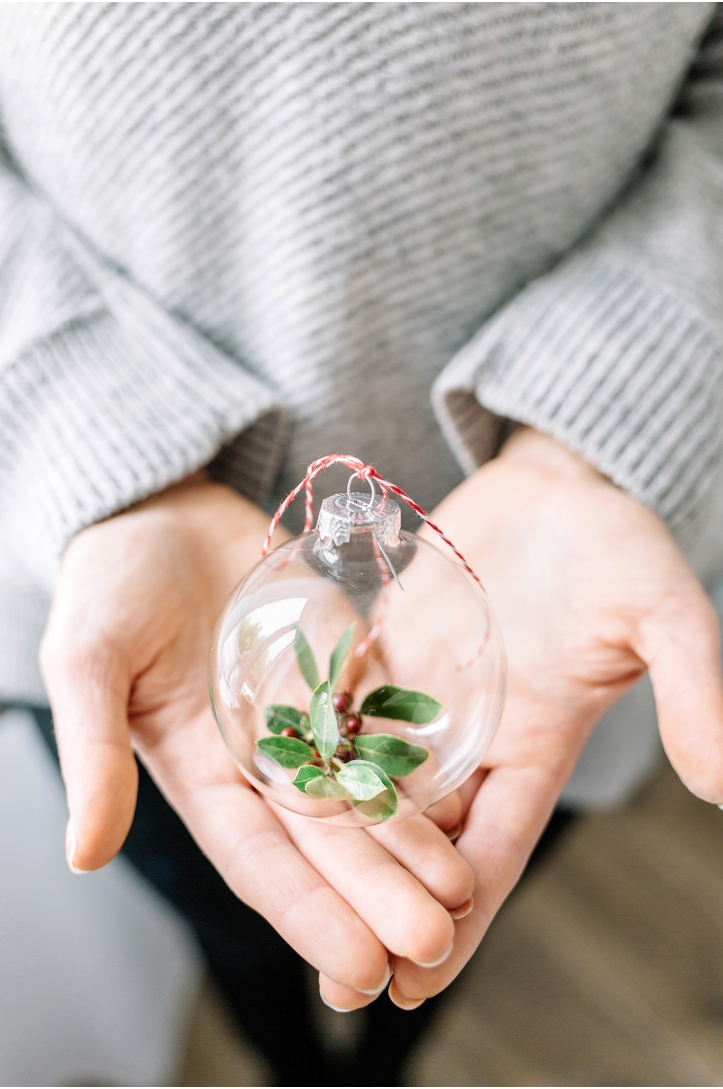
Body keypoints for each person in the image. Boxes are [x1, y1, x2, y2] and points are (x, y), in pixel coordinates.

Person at [4, 3, 723, 1084]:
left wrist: (595, 426)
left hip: (551, 595)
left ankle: (384, 1059)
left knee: (442, 907)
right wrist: (97, 439)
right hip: (107, 569)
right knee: (234, 915)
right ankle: (288, 1056)